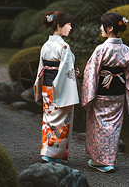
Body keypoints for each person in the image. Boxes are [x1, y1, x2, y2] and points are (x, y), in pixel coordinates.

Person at [81, 12, 129, 173]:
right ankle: (109, 161)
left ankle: (100, 160)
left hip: (102, 92)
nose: (100, 28)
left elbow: (90, 71)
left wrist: (88, 93)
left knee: (98, 125)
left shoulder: (101, 49)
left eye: (102, 26)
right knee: (113, 127)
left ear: (109, 28)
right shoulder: (125, 49)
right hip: (118, 93)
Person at [33, 10, 80, 164]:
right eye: (68, 25)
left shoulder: (46, 45)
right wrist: (75, 73)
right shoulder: (64, 46)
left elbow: (42, 67)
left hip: (47, 87)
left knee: (48, 120)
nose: (70, 28)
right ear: (59, 26)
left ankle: (46, 151)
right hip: (59, 88)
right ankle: (53, 155)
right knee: (61, 122)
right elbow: (67, 70)